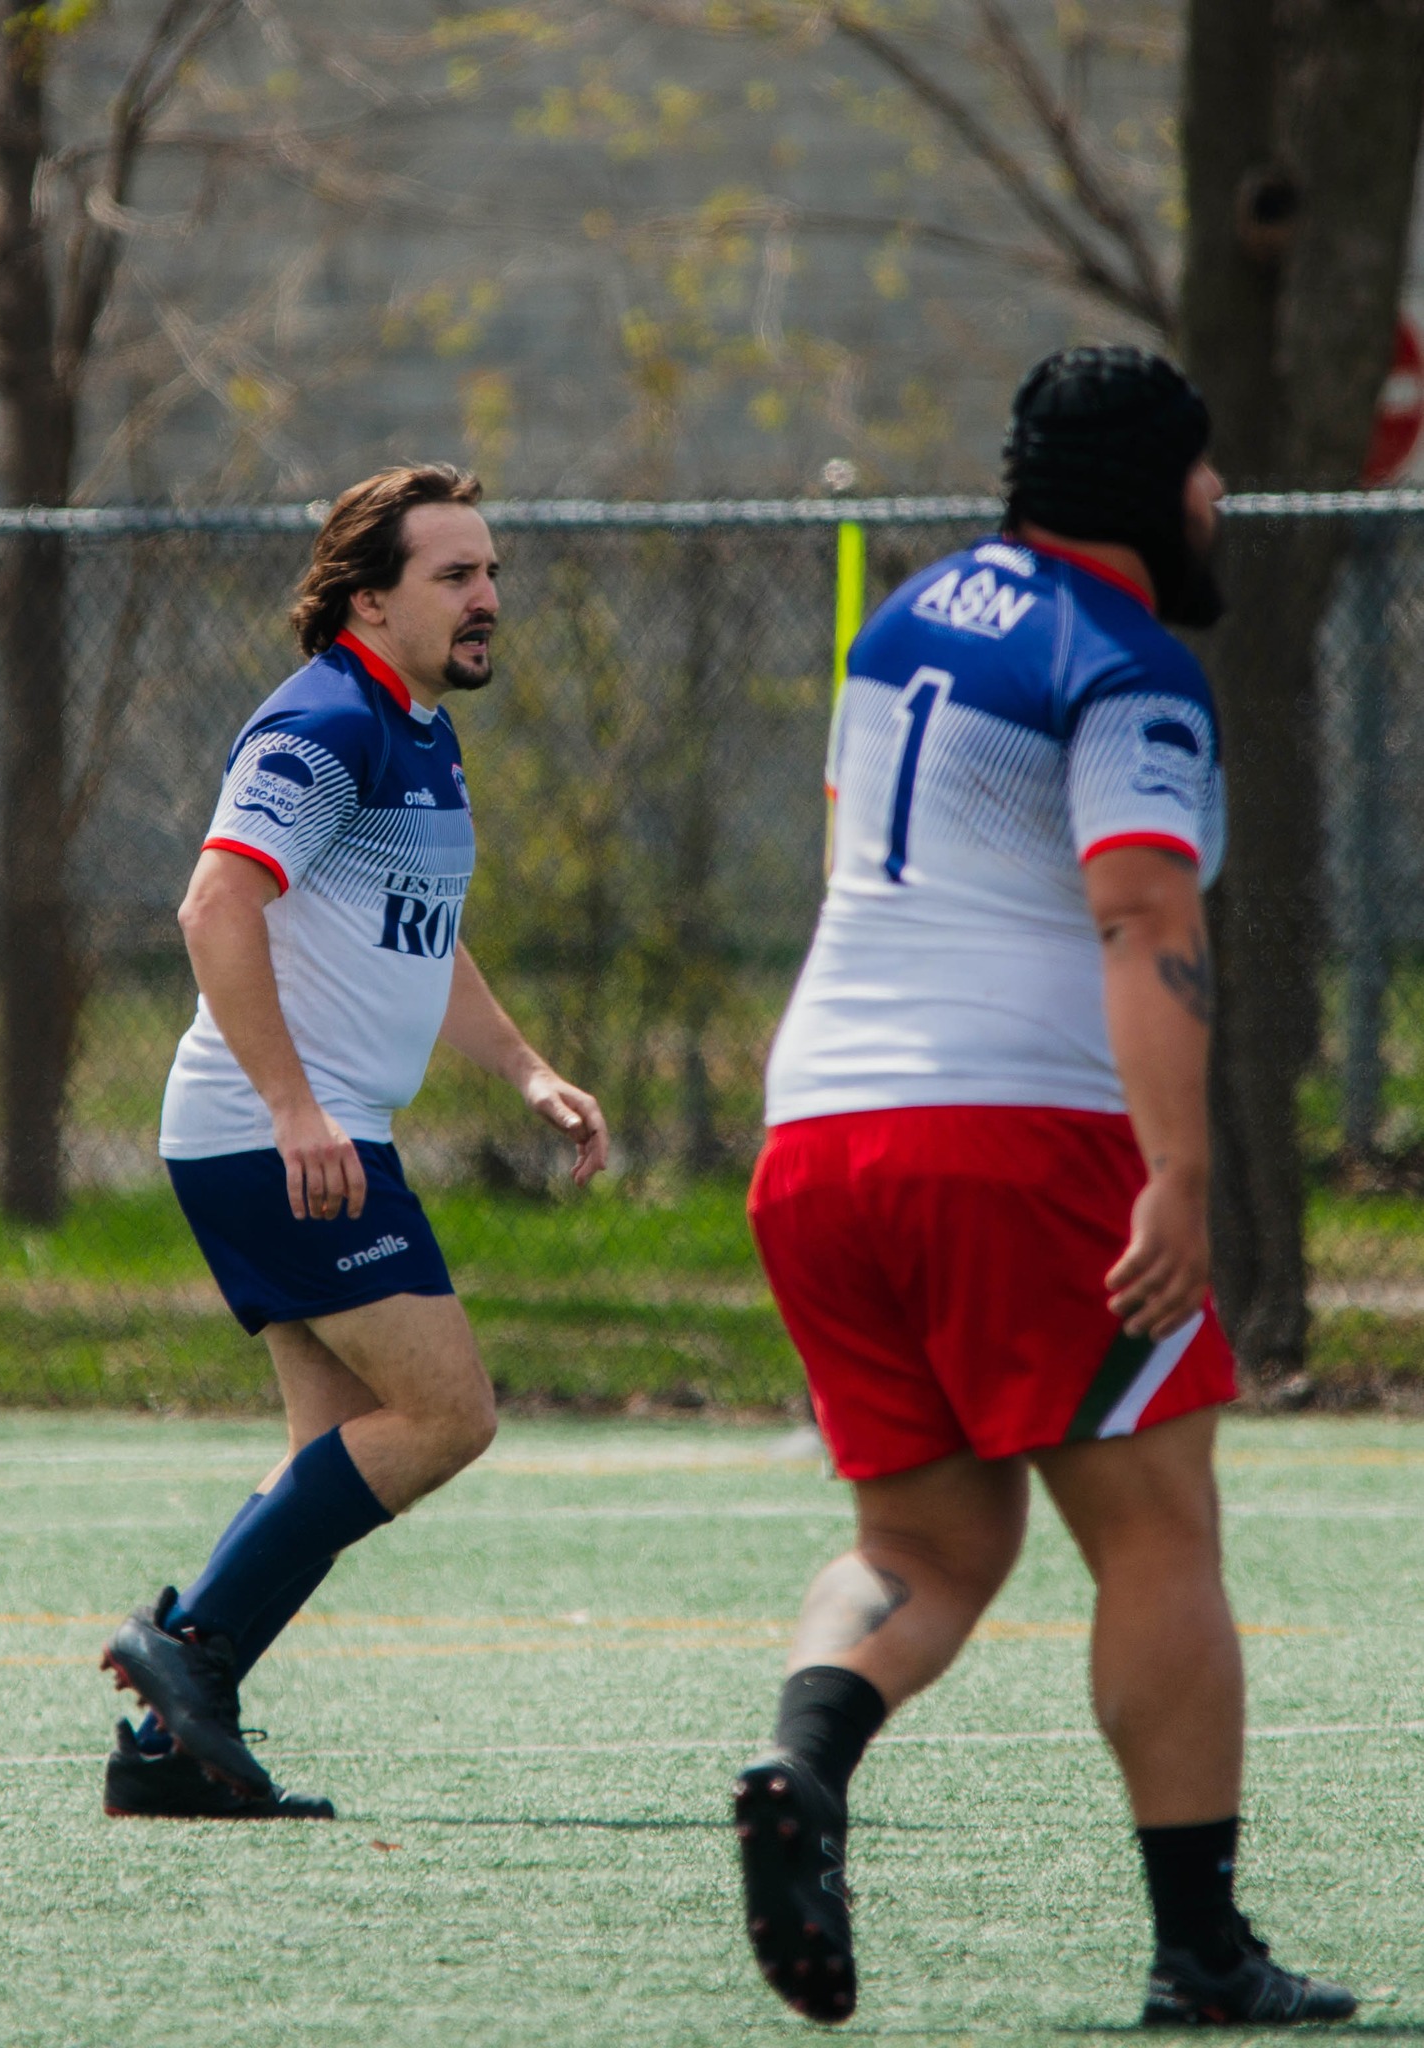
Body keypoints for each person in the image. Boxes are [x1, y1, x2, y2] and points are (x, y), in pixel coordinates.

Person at [735, 348, 1356, 2026]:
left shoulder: (910, 618)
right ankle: (1202, 1949)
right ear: (1150, 486)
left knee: (926, 1534)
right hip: (1015, 1136)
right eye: (1205, 468)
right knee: (1159, 1531)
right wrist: (1175, 1175)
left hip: (817, 1136)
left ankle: (805, 1755)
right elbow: (1143, 919)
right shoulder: (1129, 663)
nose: (1218, 497)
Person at [100, 464, 608, 1819]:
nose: (489, 597)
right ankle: (187, 1647)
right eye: (455, 576)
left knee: (333, 1444)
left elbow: (421, 939)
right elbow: (217, 907)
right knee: (447, 1415)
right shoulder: (325, 722)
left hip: (309, 1131)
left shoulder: (418, 728)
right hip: (279, 1137)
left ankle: (170, 1750)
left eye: (491, 572)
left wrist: (527, 1068)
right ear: (368, 600)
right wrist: (293, 1110)